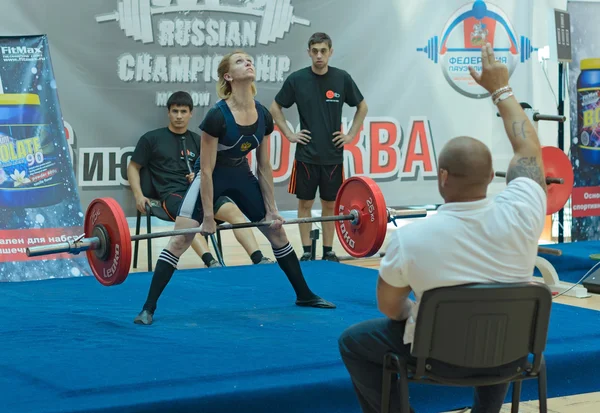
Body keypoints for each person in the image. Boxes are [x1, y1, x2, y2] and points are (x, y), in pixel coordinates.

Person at [337, 43, 548, 413]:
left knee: (353, 342)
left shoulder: (410, 237)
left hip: (436, 358)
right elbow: (528, 146)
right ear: (492, 178)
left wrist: (418, 315)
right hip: (510, 356)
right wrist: (501, 88)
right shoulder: (525, 209)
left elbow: (390, 307)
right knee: (495, 327)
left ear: (443, 176)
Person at [133, 52, 336, 325]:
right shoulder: (217, 116)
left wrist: (272, 210)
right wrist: (207, 217)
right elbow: (205, 171)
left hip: (240, 174)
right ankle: (148, 308)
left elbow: (264, 167)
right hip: (211, 176)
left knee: (276, 232)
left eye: (250, 59)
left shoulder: (263, 115)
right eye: (240, 61)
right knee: (180, 239)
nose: (248, 62)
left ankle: (304, 294)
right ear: (228, 76)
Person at [127, 91, 273, 269]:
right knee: (191, 222)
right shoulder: (151, 139)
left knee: (235, 213)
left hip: (200, 191)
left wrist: (195, 177)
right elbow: (133, 167)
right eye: (175, 111)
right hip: (172, 194)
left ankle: (258, 258)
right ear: (168, 112)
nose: (179, 116)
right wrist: (138, 196)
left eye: (183, 111)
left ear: (191, 113)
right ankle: (211, 262)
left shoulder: (199, 139)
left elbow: (208, 170)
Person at [270, 32, 368, 262]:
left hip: (333, 155)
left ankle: (328, 251)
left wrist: (351, 134)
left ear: (330, 52)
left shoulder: (342, 78)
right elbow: (275, 107)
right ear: (309, 53)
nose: (319, 55)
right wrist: (290, 134)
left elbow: (362, 107)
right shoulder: (297, 79)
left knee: (330, 204)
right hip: (306, 155)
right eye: (315, 51)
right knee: (304, 203)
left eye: (323, 51)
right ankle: (305, 251)